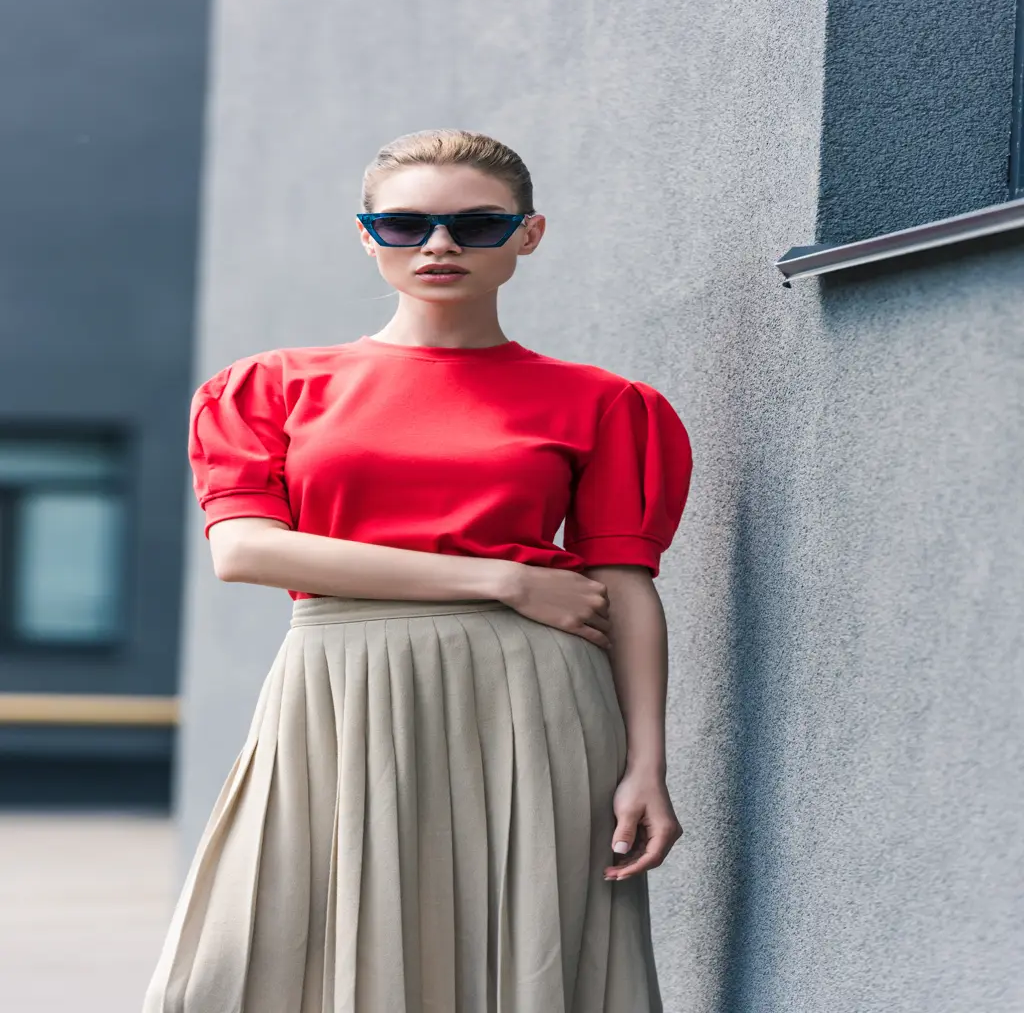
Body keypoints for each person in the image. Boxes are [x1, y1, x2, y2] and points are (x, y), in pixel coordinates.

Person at [143, 128, 693, 1013]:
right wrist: (501, 578)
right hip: (337, 689)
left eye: (477, 224)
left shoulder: (605, 403)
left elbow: (627, 588)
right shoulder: (272, 387)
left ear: (529, 233)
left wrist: (647, 766)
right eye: (404, 225)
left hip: (535, 705)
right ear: (367, 235)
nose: (438, 246)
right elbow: (244, 550)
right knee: (260, 949)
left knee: (522, 948)